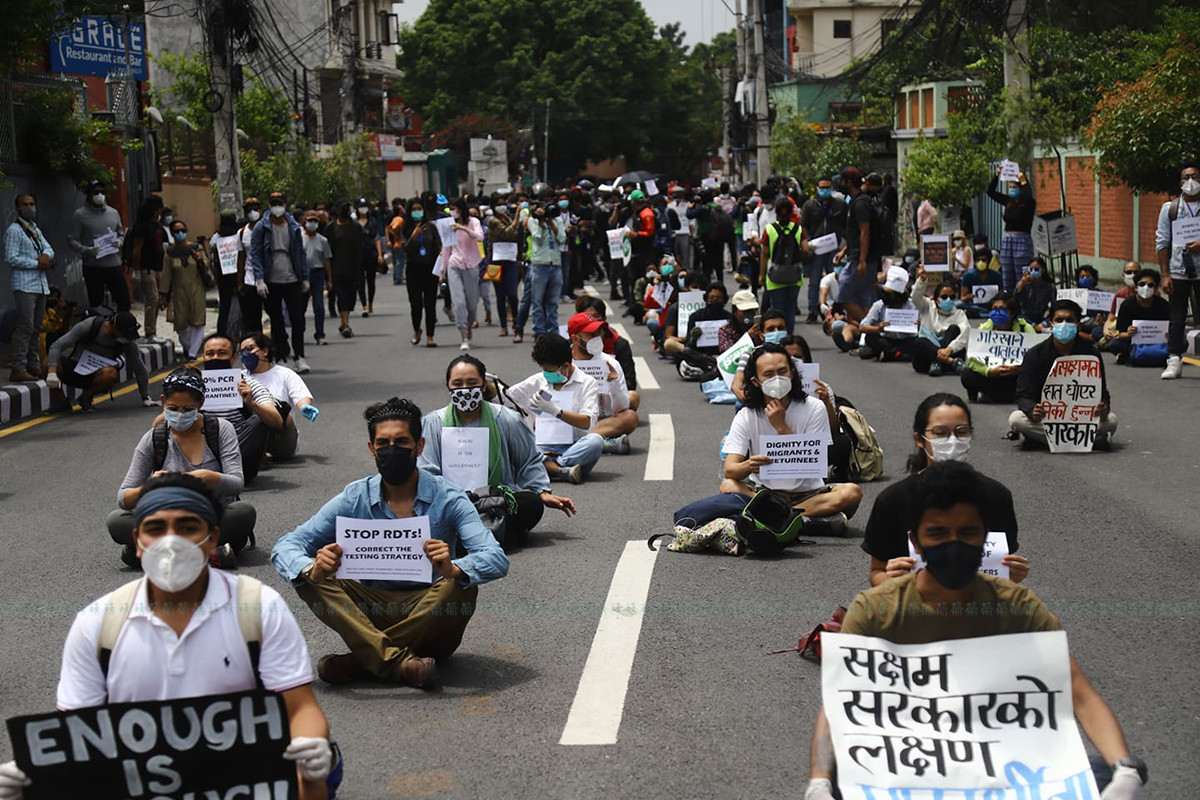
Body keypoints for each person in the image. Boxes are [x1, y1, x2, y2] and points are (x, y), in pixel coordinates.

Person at [805, 461, 1147, 800]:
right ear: (916, 541)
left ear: (984, 537)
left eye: (967, 533)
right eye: (937, 533)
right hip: (910, 768)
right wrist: (818, 780)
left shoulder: (1017, 606)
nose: (953, 545)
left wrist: (1125, 768)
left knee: (1110, 770)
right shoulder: (875, 611)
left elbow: (1078, 691)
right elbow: (839, 704)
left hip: (1001, 768)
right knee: (838, 777)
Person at [0, 475, 336, 800]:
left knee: (322, 773)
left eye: (188, 528)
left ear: (214, 536)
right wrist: (36, 779)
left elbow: (300, 709)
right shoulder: (97, 624)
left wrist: (310, 753)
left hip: (242, 781)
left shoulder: (259, 608)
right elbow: (77, 739)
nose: (171, 541)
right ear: (137, 540)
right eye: (156, 528)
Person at [270, 397, 509, 687]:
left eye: (402, 442)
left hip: (433, 617)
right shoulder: (354, 497)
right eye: (383, 443)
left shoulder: (448, 496)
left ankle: (362, 660)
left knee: (460, 585)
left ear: (419, 446)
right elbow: (286, 545)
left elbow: (495, 558)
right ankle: (399, 663)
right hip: (372, 613)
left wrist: (453, 568)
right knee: (311, 578)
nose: (391, 450)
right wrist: (312, 568)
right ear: (372, 449)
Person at [862, 393, 1026, 586]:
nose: (953, 440)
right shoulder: (892, 500)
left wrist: (1012, 576)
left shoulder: (997, 496)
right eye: (940, 433)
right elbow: (878, 572)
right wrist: (889, 579)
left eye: (961, 431)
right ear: (919, 439)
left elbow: (1000, 572)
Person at [418, 355, 577, 543]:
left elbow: (528, 460)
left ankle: (466, 537)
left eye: (472, 383)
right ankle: (496, 534)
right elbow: (427, 471)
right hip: (452, 502)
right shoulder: (433, 422)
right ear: (448, 386)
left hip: (496, 500)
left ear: (484, 385)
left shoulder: (507, 419)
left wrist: (542, 493)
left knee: (531, 504)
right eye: (458, 383)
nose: (465, 389)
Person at [108, 367, 256, 568]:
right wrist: (150, 486)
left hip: (211, 517)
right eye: (173, 408)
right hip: (168, 518)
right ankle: (204, 553)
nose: (180, 414)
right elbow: (123, 498)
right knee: (116, 521)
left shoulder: (220, 429)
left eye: (187, 410)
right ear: (162, 402)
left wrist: (209, 478)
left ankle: (158, 553)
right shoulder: (154, 438)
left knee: (243, 512)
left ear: (200, 404)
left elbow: (237, 483)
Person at [719, 343, 863, 535]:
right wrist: (750, 465)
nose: (777, 379)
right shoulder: (746, 415)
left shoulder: (813, 407)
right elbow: (730, 470)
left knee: (852, 493)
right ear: (755, 381)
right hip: (764, 493)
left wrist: (782, 427)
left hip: (809, 494)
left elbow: (814, 462)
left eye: (782, 371)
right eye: (769, 375)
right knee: (728, 487)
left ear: (792, 373)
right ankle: (804, 521)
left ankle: (778, 518)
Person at [1008, 299, 1118, 449]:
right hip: (1046, 418)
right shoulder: (1035, 355)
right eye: (1059, 320)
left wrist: (1103, 408)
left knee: (1111, 420)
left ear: (1078, 324)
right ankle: (1084, 440)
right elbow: (1023, 394)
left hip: (1082, 419)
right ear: (1051, 324)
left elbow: (1102, 392)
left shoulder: (1092, 354)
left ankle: (1046, 440)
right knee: (1016, 419)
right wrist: (1032, 409)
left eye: (1069, 320)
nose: (1064, 324)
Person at [506, 334, 603, 484]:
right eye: (543, 370)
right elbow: (508, 397)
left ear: (565, 366)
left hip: (573, 446)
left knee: (595, 441)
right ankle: (561, 471)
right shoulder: (538, 380)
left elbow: (587, 422)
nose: (546, 374)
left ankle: (550, 468)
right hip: (542, 445)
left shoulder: (587, 383)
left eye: (549, 371)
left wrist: (555, 412)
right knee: (519, 445)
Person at [190, 332, 282, 484]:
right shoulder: (192, 384)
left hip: (239, 458)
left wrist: (251, 403)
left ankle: (216, 473)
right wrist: (189, 407)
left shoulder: (248, 383)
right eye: (210, 354)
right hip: (202, 454)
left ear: (233, 358)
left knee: (260, 420)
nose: (215, 358)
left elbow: (277, 421)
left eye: (222, 353)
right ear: (203, 357)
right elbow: (161, 423)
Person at [45, 310, 156, 412]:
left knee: (110, 374)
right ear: (112, 327)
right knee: (47, 363)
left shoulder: (127, 342)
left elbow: (139, 367)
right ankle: (61, 402)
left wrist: (145, 397)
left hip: (96, 376)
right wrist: (52, 372)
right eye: (123, 334)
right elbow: (57, 345)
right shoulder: (91, 326)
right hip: (75, 367)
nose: (125, 338)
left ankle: (86, 397)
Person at [250, 192, 311, 373]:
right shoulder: (261, 227)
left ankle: (299, 356)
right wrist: (259, 279)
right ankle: (281, 355)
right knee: (276, 322)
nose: (277, 207)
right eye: (274, 203)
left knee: (297, 319)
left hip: (292, 277)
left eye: (280, 203)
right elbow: (256, 254)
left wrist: (305, 277)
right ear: (269, 206)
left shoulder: (293, 227)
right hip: (272, 279)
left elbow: (300, 253)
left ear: (285, 204)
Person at [238, 333, 318, 460]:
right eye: (242, 352)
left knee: (282, 415)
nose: (246, 354)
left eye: (250, 349)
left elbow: (300, 395)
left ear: (265, 350)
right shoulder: (240, 378)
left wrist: (304, 407)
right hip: (251, 435)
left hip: (281, 438)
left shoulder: (285, 374)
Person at [567, 312, 638, 454]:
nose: (597, 339)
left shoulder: (610, 363)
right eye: (591, 335)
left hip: (602, 422)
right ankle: (600, 442)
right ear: (575, 339)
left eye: (599, 334)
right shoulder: (563, 362)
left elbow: (622, 407)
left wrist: (614, 383)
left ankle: (582, 442)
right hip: (571, 420)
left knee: (630, 417)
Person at [1157, 161, 1200, 379]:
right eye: (1186, 177)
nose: (1190, 182)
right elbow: (1162, 242)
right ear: (1180, 182)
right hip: (1177, 271)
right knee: (1177, 318)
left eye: (1194, 177)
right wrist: (1165, 275)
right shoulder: (1170, 209)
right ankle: (1174, 359)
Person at [5, 194, 54, 382]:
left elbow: (49, 248)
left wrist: (46, 257)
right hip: (25, 285)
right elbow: (11, 258)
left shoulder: (34, 229)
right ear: (18, 209)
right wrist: (36, 263)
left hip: (40, 285)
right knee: (25, 327)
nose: (30, 207)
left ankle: (33, 365)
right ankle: (18, 367)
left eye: (32, 204)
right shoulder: (14, 231)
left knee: (36, 327)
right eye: (25, 205)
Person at [960, 292, 1036, 403]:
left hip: (1014, 376)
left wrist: (1018, 369)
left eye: (1002, 309)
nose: (997, 312)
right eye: (994, 309)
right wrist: (989, 371)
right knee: (967, 375)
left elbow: (1036, 358)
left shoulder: (1025, 328)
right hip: (992, 375)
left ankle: (998, 395)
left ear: (1012, 313)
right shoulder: (984, 329)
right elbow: (971, 360)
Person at [68, 180, 129, 311]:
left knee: (124, 301)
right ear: (89, 195)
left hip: (114, 264)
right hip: (93, 267)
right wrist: (86, 250)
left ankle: (122, 328)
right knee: (96, 304)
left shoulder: (113, 213)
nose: (100, 195)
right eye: (96, 192)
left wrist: (120, 241)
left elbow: (121, 233)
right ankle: (100, 328)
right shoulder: (80, 215)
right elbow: (72, 240)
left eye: (102, 192)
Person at [836, 167, 881, 323]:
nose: (840, 185)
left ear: (849, 182)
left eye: (842, 182)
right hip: (860, 256)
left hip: (862, 260)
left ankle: (870, 329)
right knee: (863, 298)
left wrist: (862, 260)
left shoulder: (861, 204)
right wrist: (844, 251)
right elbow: (855, 234)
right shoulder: (857, 202)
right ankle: (870, 332)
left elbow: (865, 232)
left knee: (844, 294)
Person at [159, 218, 209, 359]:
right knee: (181, 324)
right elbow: (166, 275)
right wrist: (163, 295)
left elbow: (206, 264)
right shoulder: (170, 253)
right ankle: (188, 347)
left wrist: (199, 259)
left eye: (182, 230)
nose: (180, 233)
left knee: (198, 321)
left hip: (196, 289)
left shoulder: (196, 248)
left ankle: (192, 353)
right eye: (176, 231)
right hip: (178, 292)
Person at [759, 197, 808, 334]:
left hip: (775, 277)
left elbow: (764, 254)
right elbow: (805, 249)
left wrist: (761, 275)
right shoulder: (798, 229)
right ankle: (790, 337)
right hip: (795, 276)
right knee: (790, 309)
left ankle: (779, 339)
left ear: (776, 212)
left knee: (778, 310)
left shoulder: (769, 230)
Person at [800, 176, 845, 323]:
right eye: (822, 188)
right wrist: (807, 242)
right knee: (814, 281)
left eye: (827, 187)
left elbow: (845, 225)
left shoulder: (839, 205)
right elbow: (803, 225)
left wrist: (843, 244)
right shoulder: (810, 205)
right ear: (817, 188)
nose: (825, 190)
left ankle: (834, 310)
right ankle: (813, 310)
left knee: (835, 280)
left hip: (834, 248)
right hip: (816, 249)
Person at [910, 266, 970, 376]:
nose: (948, 300)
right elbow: (915, 298)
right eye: (944, 296)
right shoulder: (927, 306)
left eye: (951, 297)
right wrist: (922, 281)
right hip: (928, 360)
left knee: (954, 329)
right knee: (920, 342)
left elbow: (965, 333)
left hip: (950, 352)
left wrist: (949, 349)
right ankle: (947, 362)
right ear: (936, 298)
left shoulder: (959, 314)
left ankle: (939, 362)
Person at [444, 197, 485, 350]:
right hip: (454, 264)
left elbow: (480, 237)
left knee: (472, 304)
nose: (453, 212)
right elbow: (446, 248)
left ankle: (468, 325)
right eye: (451, 209)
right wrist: (442, 270)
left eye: (455, 208)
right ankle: (463, 335)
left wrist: (463, 229)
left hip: (472, 265)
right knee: (459, 303)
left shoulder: (473, 222)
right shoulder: (448, 224)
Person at [987, 164, 1036, 292]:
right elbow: (990, 192)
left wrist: (1023, 180)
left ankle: (1024, 295)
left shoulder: (1028, 203)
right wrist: (997, 175)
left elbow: (1028, 197)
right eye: (1010, 187)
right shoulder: (1009, 201)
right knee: (1007, 272)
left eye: (1014, 187)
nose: (1011, 189)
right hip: (1008, 239)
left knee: (1022, 271)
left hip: (1022, 240)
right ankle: (1009, 297)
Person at [125, 195, 167, 342]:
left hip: (158, 266)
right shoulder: (141, 227)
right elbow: (137, 248)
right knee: (152, 298)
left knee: (159, 299)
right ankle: (150, 332)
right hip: (146, 267)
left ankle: (153, 330)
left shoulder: (158, 226)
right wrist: (136, 268)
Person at [853, 266, 918, 362]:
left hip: (905, 340)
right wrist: (878, 328)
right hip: (886, 339)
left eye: (891, 294)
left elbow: (917, 329)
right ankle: (898, 354)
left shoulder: (909, 306)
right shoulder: (879, 305)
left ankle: (890, 354)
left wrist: (916, 325)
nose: (887, 297)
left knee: (917, 343)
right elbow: (863, 327)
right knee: (870, 338)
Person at [402, 197, 442, 347]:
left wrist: (441, 265)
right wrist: (413, 236)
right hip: (413, 270)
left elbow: (439, 247)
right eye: (414, 209)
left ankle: (430, 336)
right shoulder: (406, 228)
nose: (417, 212)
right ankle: (416, 330)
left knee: (430, 304)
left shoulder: (431, 227)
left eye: (419, 209)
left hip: (430, 270)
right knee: (416, 304)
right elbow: (404, 248)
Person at [1107, 269, 1169, 365]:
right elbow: (1119, 333)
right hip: (1133, 341)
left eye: (1150, 285)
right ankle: (1128, 354)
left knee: (1182, 342)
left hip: (1158, 342)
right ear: (1136, 287)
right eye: (1142, 284)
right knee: (1114, 344)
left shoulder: (1163, 304)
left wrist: (1168, 335)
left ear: (1156, 288)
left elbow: (1170, 327)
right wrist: (1128, 333)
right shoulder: (1127, 305)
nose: (1146, 287)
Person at [730, 309, 789, 403]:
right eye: (771, 329)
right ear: (761, 335)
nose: (776, 332)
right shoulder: (750, 355)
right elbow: (736, 385)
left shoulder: (794, 353)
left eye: (780, 328)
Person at [527, 200, 568, 335]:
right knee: (537, 301)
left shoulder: (557, 221)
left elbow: (562, 238)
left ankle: (553, 330)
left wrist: (551, 223)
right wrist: (541, 223)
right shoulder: (532, 221)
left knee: (553, 301)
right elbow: (537, 238)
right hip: (540, 264)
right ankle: (539, 331)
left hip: (555, 263)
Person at [325, 198, 364, 338]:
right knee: (342, 297)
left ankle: (343, 322)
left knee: (351, 298)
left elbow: (360, 248)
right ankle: (346, 325)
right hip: (337, 270)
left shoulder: (356, 227)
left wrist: (360, 268)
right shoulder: (331, 228)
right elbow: (327, 250)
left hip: (353, 269)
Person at [488, 203, 523, 338]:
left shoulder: (507, 218)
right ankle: (503, 326)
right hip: (495, 262)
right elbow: (508, 233)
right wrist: (517, 217)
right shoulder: (492, 220)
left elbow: (516, 235)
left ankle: (515, 319)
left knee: (512, 294)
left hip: (510, 260)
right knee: (500, 295)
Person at [208, 210, 245, 339]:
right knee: (242, 306)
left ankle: (222, 334)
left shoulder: (215, 238)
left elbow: (213, 261)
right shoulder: (239, 235)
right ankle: (242, 334)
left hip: (224, 277)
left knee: (224, 307)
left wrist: (217, 278)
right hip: (239, 275)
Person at [300, 210, 332, 347]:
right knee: (300, 307)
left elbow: (326, 260)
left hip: (318, 274)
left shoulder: (322, 240)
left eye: (315, 221)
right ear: (304, 222)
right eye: (310, 220)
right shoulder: (298, 238)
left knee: (318, 306)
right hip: (302, 275)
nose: (312, 223)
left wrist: (329, 279)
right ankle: (299, 333)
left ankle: (320, 334)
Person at [237, 197, 264, 334]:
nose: (253, 212)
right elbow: (241, 258)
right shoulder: (242, 233)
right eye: (249, 210)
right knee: (251, 315)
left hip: (268, 277)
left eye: (255, 209)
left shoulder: (267, 229)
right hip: (250, 279)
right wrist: (240, 282)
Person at [958, 236, 1002, 317]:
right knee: (960, 304)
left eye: (984, 260)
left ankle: (982, 313)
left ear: (988, 262)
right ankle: (984, 313)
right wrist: (968, 297)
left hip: (991, 305)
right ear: (974, 262)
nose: (980, 262)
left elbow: (1001, 294)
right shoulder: (968, 275)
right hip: (974, 305)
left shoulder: (996, 275)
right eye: (978, 260)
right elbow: (962, 298)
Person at [354, 196, 384, 317]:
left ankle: (370, 303)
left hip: (371, 254)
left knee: (371, 280)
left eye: (365, 207)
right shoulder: (354, 223)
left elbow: (377, 238)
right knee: (360, 280)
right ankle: (364, 305)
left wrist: (380, 254)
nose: (363, 209)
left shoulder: (372, 222)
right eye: (361, 207)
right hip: (358, 254)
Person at [1015, 255, 1056, 330]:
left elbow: (1053, 306)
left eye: (1036, 269)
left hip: (1041, 317)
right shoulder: (1024, 284)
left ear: (1043, 270)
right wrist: (1022, 283)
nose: (1033, 271)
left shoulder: (1050, 286)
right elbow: (1016, 301)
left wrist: (1045, 322)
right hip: (1025, 317)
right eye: (1031, 269)